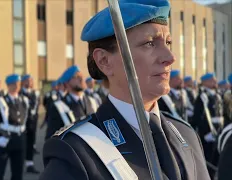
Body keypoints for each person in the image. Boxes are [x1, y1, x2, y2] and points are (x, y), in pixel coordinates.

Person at [40, 0, 210, 179]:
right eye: (150, 43)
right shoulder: (76, 151)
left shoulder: (186, 134)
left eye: (168, 42)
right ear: (104, 61)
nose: (169, 57)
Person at [0, 74, 29, 180]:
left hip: (19, 141)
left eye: (18, 84)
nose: (16, 86)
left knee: (18, 174)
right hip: (4, 140)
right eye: (14, 84)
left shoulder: (24, 100)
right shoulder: (0, 101)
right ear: (8, 85)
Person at [44, 65, 98, 139]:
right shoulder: (59, 106)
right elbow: (51, 138)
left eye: (82, 76)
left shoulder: (92, 101)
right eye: (76, 76)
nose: (81, 78)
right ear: (66, 83)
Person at [191, 73, 224, 178]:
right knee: (208, 160)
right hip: (208, 135)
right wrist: (205, 133)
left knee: (216, 160)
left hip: (218, 132)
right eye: (212, 80)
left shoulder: (216, 95)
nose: (215, 82)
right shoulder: (202, 97)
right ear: (205, 82)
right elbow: (198, 117)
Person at [19, 74, 40, 174]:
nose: (30, 82)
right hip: (22, 123)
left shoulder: (35, 93)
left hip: (32, 122)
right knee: (22, 144)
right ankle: (19, 164)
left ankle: (29, 165)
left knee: (31, 143)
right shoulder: (19, 93)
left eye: (31, 80)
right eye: (28, 80)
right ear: (23, 82)